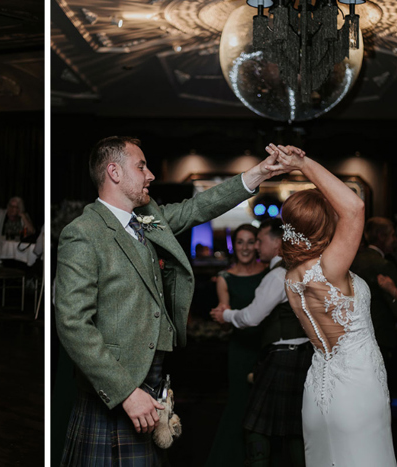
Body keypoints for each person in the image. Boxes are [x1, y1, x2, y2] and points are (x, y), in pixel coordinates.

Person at [54, 136, 296, 465]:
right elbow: (72, 323)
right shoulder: (83, 232)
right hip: (115, 389)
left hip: (151, 381)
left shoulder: (146, 219)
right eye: (141, 166)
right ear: (114, 172)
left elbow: (198, 207)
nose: (150, 174)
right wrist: (125, 392)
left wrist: (259, 173)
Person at [277, 144, 397, 466]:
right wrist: (303, 164)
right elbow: (355, 207)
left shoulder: (290, 279)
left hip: (318, 389)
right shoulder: (330, 268)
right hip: (358, 387)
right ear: (323, 225)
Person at [211, 218, 311, 467]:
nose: (256, 247)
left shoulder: (278, 275)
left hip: (281, 356)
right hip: (301, 353)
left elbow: (251, 318)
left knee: (256, 424)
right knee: (294, 427)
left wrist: (225, 315)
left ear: (277, 243)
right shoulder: (303, 268)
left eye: (260, 241)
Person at [205, 224, 266, 467]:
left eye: (250, 241)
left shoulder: (270, 272)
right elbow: (226, 325)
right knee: (239, 407)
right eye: (240, 242)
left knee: (264, 409)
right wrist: (221, 320)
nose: (245, 247)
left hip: (265, 349)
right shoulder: (225, 278)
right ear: (233, 245)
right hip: (240, 350)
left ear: (258, 245)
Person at [351, 217, 397, 395]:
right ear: (381, 236)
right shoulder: (383, 265)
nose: (394, 240)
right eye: (393, 235)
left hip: (357, 334)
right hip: (381, 336)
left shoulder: (355, 258)